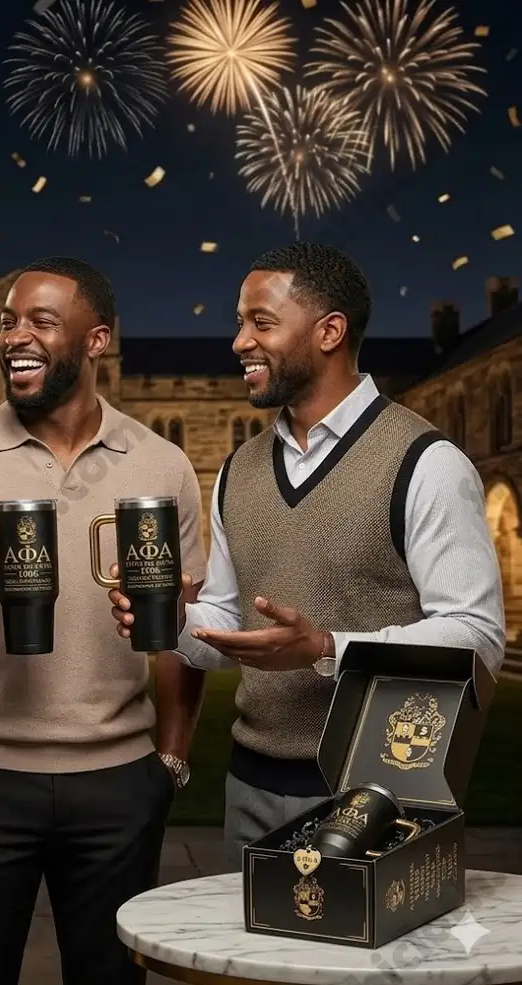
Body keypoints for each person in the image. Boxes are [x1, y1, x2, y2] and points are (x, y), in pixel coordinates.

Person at [107, 242, 506, 869]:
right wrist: (174, 623)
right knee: (254, 967)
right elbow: (228, 622)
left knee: (361, 967)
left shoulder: (426, 462)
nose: (239, 341)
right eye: (239, 322)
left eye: (261, 323)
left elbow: (478, 637)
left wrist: (327, 648)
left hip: (379, 793)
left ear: (329, 331)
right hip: (250, 787)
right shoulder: (238, 470)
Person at [0, 257, 209, 985]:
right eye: (6, 321)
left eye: (40, 321)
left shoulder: (162, 465)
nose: (13, 336)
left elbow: (181, 633)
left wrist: (171, 761)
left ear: (97, 340)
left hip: (118, 782)